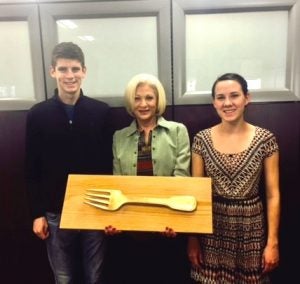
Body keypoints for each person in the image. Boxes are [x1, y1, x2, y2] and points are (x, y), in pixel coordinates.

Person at [25, 42, 112, 284]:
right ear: (53, 71)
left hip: (94, 209)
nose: (70, 76)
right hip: (55, 212)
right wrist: (36, 214)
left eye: (75, 69)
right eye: (63, 69)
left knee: (95, 276)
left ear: (84, 71)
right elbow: (31, 168)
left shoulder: (101, 112)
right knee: (63, 278)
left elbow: (109, 166)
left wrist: (109, 213)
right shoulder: (37, 114)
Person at [188, 73, 280, 283]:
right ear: (214, 102)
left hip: (251, 230)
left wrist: (272, 242)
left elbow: (273, 194)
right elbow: (196, 194)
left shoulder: (265, 140)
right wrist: (192, 239)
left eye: (234, 96)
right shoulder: (201, 140)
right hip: (211, 229)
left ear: (247, 98)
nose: (227, 103)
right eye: (220, 97)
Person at [105, 73, 191, 284]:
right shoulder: (119, 137)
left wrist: (171, 222)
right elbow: (118, 184)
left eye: (149, 98)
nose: (143, 104)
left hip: (167, 230)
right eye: (137, 98)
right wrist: (115, 222)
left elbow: (181, 179)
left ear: (158, 101)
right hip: (130, 233)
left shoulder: (178, 131)